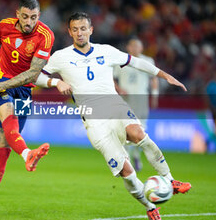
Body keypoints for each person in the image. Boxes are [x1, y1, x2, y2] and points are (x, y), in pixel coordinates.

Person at [35, 12, 191, 220]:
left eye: (83, 28)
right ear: (69, 31)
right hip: (93, 120)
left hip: (115, 106)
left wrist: (164, 75)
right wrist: (56, 82)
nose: (79, 33)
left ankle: (171, 180)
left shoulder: (106, 51)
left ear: (91, 30)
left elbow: (135, 62)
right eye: (75, 29)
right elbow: (36, 76)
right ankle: (149, 206)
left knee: (139, 134)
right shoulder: (61, 57)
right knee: (126, 171)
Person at [0, 0, 55, 219]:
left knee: (4, 146)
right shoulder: (5, 25)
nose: (29, 22)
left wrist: (0, 87)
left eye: (34, 17)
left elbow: (33, 74)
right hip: (1, 77)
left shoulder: (45, 36)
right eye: (25, 17)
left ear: (39, 16)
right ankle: (28, 153)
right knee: (8, 117)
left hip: (24, 89)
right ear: (18, 14)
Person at [114, 38, 159, 171]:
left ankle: (136, 155)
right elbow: (112, 78)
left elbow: (154, 78)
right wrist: (118, 89)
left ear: (141, 48)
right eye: (132, 46)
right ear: (128, 47)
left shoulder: (148, 61)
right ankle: (127, 158)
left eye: (137, 46)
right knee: (125, 129)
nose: (134, 48)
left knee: (140, 129)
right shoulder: (121, 60)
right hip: (125, 100)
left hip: (141, 99)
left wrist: (155, 96)